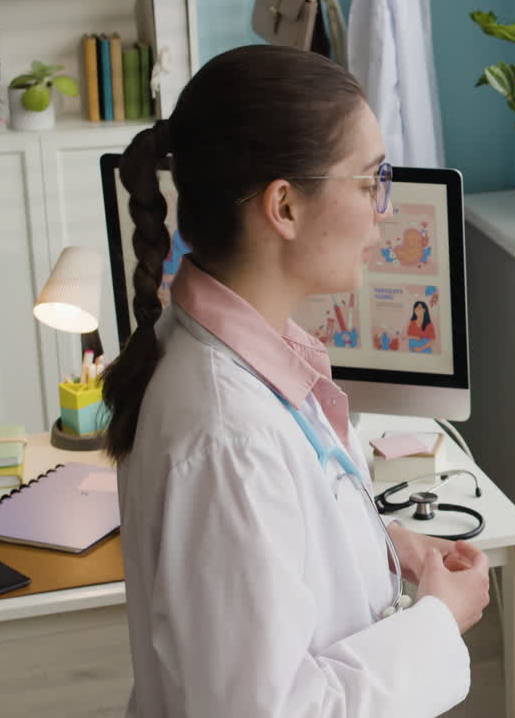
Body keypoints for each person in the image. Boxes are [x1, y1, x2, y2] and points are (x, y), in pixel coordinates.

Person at [101, 45, 489, 717]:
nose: (384, 211)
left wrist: (382, 549)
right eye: (371, 182)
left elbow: (275, 562)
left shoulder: (228, 361)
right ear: (284, 206)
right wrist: (437, 620)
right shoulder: (229, 436)